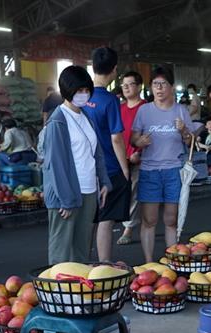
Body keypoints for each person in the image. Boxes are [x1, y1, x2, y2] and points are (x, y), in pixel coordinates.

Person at [39, 65, 109, 266]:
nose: (83, 94)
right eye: (79, 91)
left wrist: (103, 181)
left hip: (88, 191)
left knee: (81, 249)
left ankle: (78, 294)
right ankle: (58, 294)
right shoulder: (58, 121)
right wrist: (66, 199)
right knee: (61, 251)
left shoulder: (86, 117)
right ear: (67, 91)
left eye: (87, 90)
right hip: (66, 195)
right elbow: (56, 164)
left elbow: (96, 152)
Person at [131, 67, 198, 262]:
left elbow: (190, 141)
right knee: (149, 220)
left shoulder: (181, 110)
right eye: (155, 84)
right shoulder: (144, 110)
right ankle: (149, 262)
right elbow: (134, 138)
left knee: (171, 220)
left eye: (163, 84)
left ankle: (172, 262)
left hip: (173, 171)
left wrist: (184, 129)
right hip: (149, 170)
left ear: (171, 87)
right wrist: (139, 142)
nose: (159, 88)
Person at [83, 47, 129, 263]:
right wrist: (125, 169)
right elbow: (116, 138)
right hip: (109, 168)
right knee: (106, 217)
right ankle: (104, 265)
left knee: (88, 219)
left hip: (85, 168)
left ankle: (84, 263)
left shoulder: (81, 97)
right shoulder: (110, 100)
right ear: (114, 70)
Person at [116, 71, 145, 247]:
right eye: (123, 84)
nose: (126, 87)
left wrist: (139, 153)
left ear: (139, 86)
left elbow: (151, 133)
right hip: (121, 158)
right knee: (123, 193)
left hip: (137, 159)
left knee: (133, 193)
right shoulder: (120, 108)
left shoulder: (146, 108)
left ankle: (128, 229)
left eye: (130, 84)